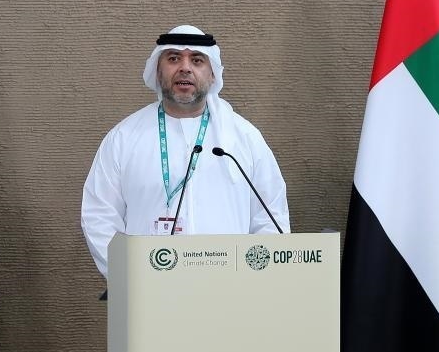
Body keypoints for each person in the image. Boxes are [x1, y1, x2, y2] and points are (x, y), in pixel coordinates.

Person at [81, 24, 290, 279]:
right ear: (158, 72)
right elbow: (99, 215)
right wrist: (130, 277)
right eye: (173, 59)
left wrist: (255, 279)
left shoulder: (245, 139)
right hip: (150, 289)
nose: (185, 68)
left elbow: (271, 218)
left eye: (197, 60)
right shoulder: (123, 139)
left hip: (231, 289)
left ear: (212, 74)